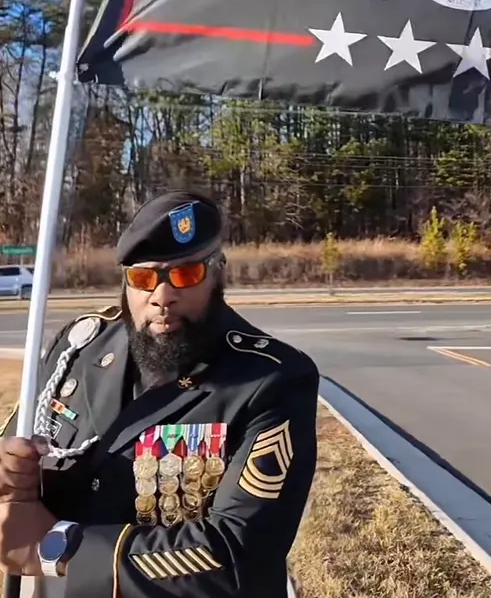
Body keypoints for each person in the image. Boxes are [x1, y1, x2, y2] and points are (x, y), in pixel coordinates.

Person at [0, 189, 319, 598]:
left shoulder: (270, 379)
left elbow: (239, 551)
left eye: (186, 275)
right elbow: (17, 449)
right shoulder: (79, 347)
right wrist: (10, 473)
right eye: (143, 278)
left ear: (218, 273)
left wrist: (60, 552)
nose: (163, 296)